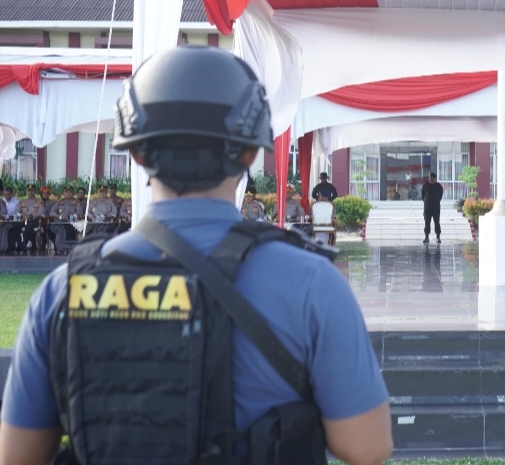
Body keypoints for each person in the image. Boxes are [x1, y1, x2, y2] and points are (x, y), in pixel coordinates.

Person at [0, 45, 393, 465]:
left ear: (136, 152)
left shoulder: (62, 292)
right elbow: (366, 446)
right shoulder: (311, 284)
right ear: (250, 152)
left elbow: (17, 455)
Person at [16, 185, 46, 254]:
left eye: (32, 190)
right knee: (15, 226)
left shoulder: (40, 202)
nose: (30, 192)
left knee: (29, 225)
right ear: (26, 192)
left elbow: (41, 212)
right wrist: (22, 215)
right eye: (29, 191)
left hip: (34, 220)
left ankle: (27, 243)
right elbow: (16, 211)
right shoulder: (22, 201)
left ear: (35, 192)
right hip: (23, 220)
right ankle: (19, 243)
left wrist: (31, 216)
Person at [421, 172, 443, 244]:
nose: (431, 179)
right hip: (427, 208)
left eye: (432, 178)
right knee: (427, 222)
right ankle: (426, 237)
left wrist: (437, 201)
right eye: (430, 178)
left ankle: (438, 237)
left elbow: (440, 195)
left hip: (436, 208)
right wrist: (426, 202)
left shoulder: (438, 186)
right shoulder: (425, 185)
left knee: (437, 222)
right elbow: (423, 195)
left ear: (435, 178)